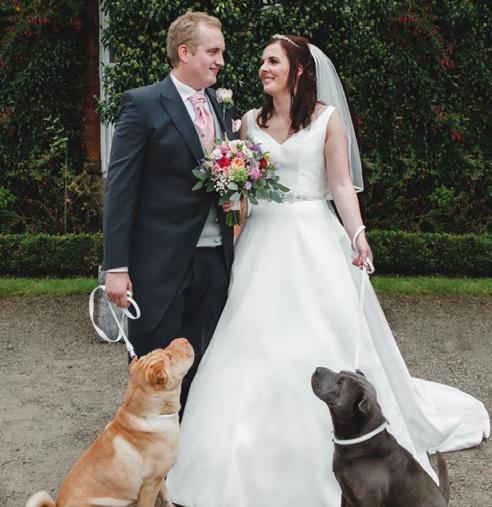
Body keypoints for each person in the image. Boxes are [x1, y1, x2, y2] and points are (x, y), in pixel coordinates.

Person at [167, 35, 489, 505]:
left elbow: (340, 184)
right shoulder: (249, 122)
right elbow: (242, 195)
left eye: (273, 61)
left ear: (298, 70)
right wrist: (233, 215)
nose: (263, 68)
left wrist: (358, 235)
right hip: (261, 243)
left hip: (314, 239)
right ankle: (230, 458)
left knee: (317, 333)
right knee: (250, 340)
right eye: (262, 62)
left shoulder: (326, 119)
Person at [102, 12, 238, 410]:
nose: (220, 61)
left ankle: (191, 446)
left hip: (215, 261)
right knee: (154, 372)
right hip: (159, 265)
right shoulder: (142, 104)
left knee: (204, 368)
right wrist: (116, 267)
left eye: (221, 53)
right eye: (213, 52)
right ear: (185, 52)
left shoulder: (221, 107)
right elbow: (120, 190)